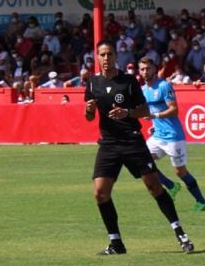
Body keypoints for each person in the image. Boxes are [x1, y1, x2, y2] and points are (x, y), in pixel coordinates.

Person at [84, 40, 195, 255]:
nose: (106, 59)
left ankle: (181, 234)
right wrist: (88, 110)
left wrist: (127, 113)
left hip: (132, 140)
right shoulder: (92, 83)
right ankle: (116, 243)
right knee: (100, 193)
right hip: (108, 143)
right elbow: (89, 117)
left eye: (109, 54)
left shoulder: (128, 82)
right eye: (102, 55)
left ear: (116, 57)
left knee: (154, 187)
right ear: (97, 58)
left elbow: (143, 109)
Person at [138, 56, 205, 212]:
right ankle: (171, 185)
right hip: (158, 136)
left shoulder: (164, 86)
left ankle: (201, 201)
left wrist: (154, 117)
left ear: (154, 69)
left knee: (180, 171)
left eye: (148, 68)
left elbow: (174, 109)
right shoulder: (143, 90)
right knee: (142, 161)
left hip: (173, 136)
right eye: (142, 69)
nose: (145, 72)